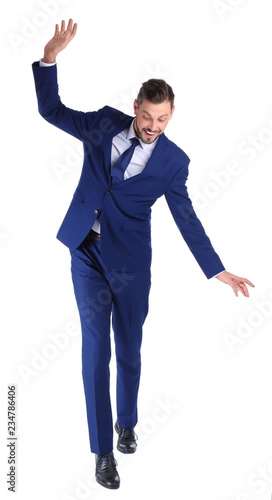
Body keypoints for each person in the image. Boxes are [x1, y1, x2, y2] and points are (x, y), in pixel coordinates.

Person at [32, 19, 255, 490]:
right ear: (136, 107)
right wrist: (50, 58)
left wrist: (217, 270)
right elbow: (51, 110)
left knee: (129, 352)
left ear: (171, 115)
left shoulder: (175, 163)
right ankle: (103, 452)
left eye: (163, 119)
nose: (153, 127)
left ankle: (127, 421)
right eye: (148, 116)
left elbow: (186, 218)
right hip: (85, 255)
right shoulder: (103, 124)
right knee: (96, 351)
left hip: (131, 267)